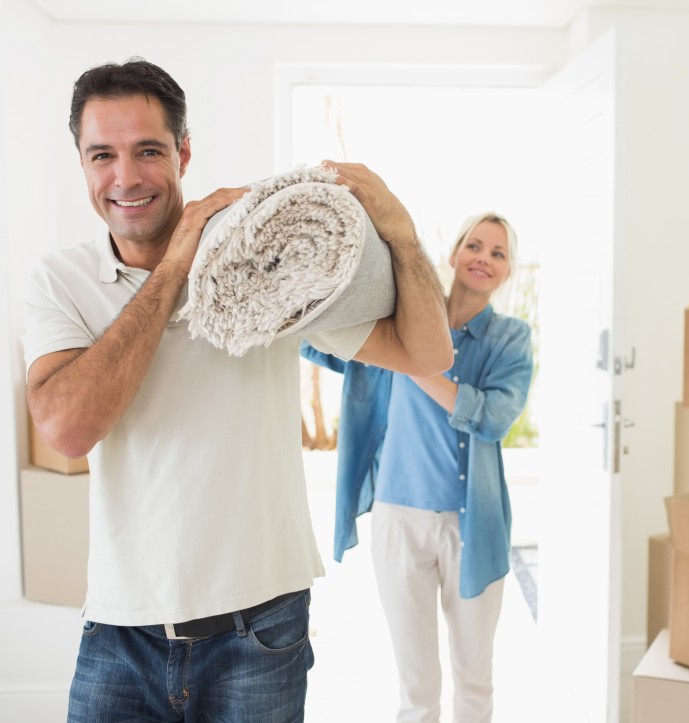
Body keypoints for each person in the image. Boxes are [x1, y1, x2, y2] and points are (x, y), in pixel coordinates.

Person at [21, 57, 451, 722]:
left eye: (148, 151)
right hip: (120, 630)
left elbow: (428, 351)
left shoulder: (259, 262)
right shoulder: (59, 281)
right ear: (80, 161)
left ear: (184, 152)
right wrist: (174, 271)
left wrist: (399, 231)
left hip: (260, 630)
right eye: (101, 154)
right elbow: (68, 426)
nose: (126, 177)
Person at [301, 211, 534, 723]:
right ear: (453, 255)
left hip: (472, 528)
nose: (483, 259)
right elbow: (320, 342)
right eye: (475, 246)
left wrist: (411, 357)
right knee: (417, 687)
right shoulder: (397, 323)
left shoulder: (509, 340)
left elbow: (492, 417)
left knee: (474, 678)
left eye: (498, 254)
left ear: (508, 272)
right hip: (398, 519)